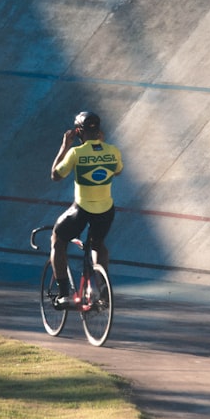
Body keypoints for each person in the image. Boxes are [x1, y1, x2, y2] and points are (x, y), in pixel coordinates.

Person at [49, 111, 124, 307]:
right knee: (98, 244)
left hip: (82, 209)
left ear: (78, 132)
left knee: (58, 239)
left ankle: (64, 292)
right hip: (106, 210)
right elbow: (118, 171)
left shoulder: (76, 153)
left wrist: (64, 147)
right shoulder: (113, 151)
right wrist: (103, 146)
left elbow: (55, 175)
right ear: (99, 130)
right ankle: (103, 287)